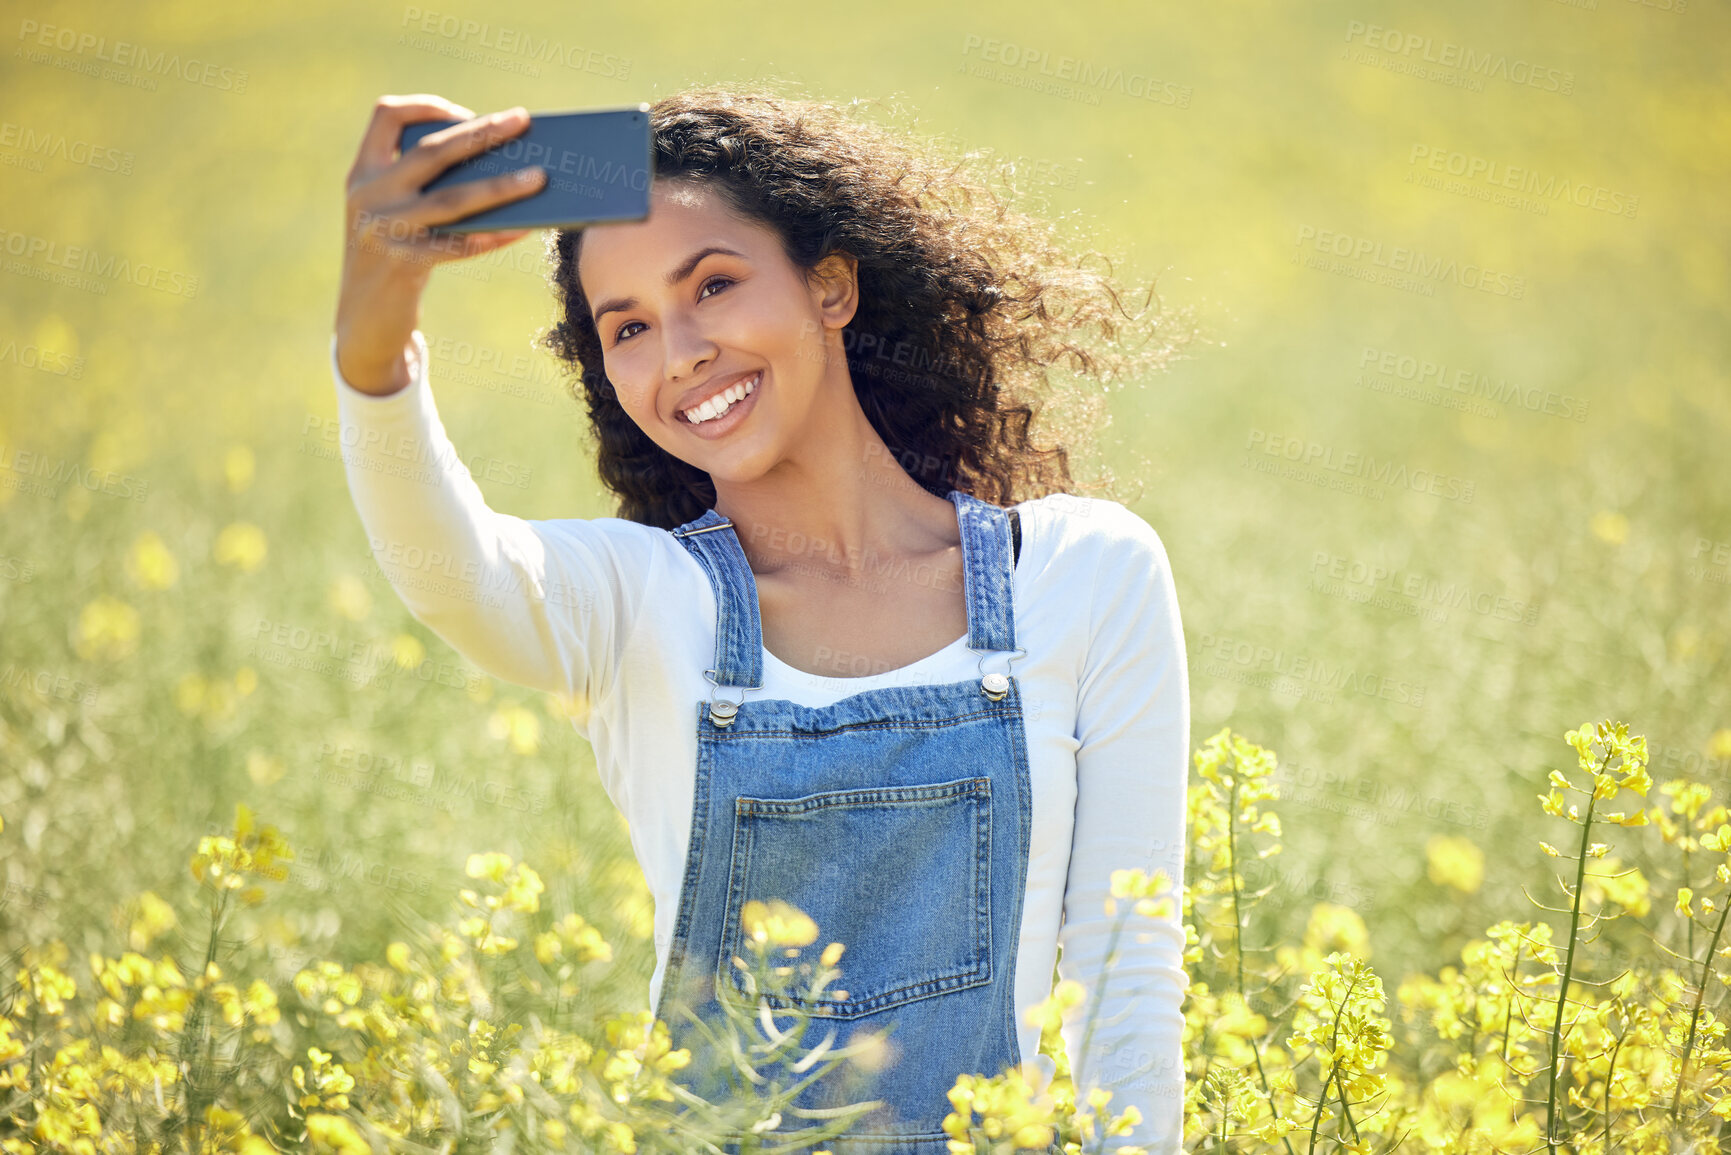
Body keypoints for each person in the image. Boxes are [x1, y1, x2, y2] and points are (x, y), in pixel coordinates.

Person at [331, 84, 1192, 1153]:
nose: (682, 351)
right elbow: (450, 572)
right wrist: (376, 328)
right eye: (630, 326)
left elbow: (1129, 972)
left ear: (830, 286)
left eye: (715, 285)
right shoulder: (640, 605)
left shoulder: (1084, 575)